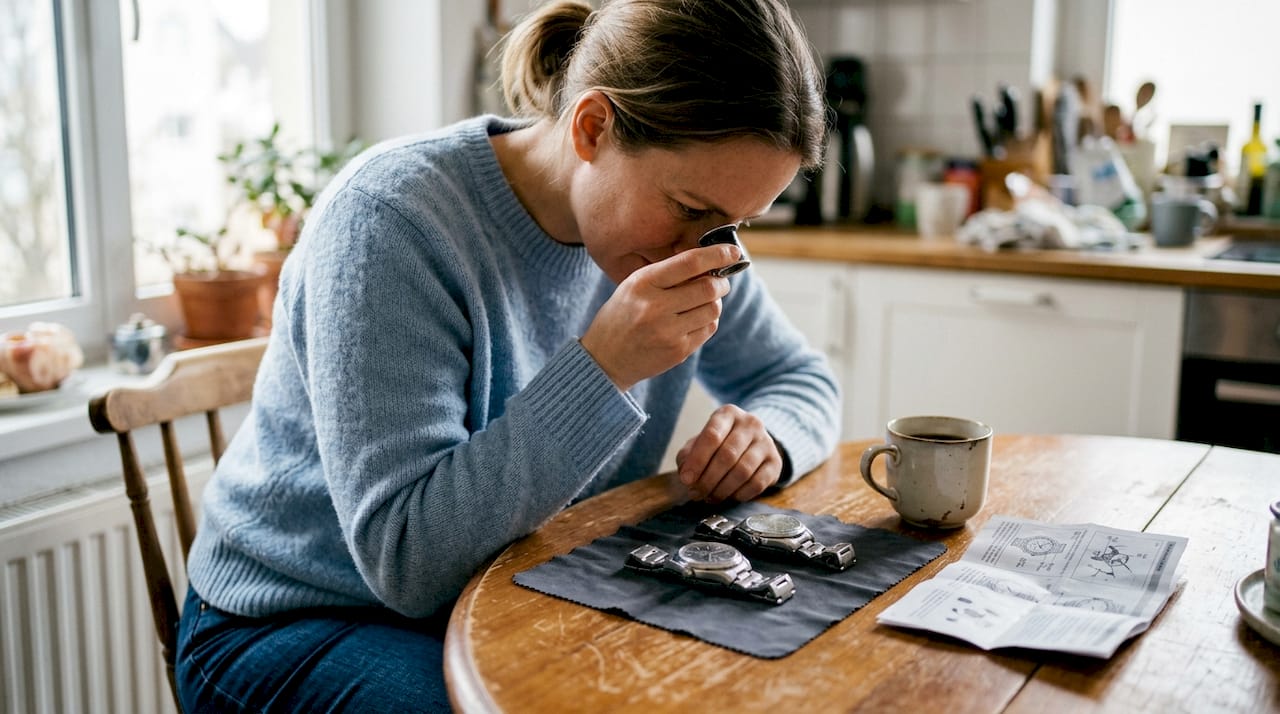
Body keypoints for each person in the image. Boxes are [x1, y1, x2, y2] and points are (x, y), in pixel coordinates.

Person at [176, 0, 840, 710]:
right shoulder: (391, 222)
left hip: (519, 595)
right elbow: (408, 563)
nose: (710, 250)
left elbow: (799, 379)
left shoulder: (688, 238)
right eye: (691, 208)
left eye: (735, 223)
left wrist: (766, 438)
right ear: (592, 128)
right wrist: (602, 370)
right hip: (299, 620)